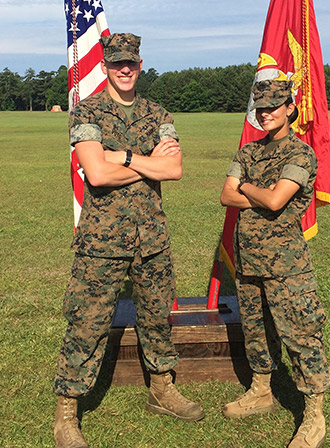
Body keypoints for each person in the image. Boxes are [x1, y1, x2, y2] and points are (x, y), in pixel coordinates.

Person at [53, 33, 204, 448]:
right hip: (102, 240)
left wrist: (120, 156)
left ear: (140, 65)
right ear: (104, 66)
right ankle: (67, 410)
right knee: (87, 322)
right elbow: (96, 175)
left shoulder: (159, 113)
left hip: (151, 236)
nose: (124, 69)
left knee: (157, 316)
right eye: (117, 63)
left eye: (131, 63)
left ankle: (161, 388)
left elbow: (173, 171)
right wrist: (148, 162)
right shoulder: (87, 112)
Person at [220, 79, 330, 448]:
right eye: (261, 107)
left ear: (289, 108)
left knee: (300, 335)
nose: (266, 113)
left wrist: (247, 188)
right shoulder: (248, 152)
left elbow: (274, 201)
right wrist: (257, 191)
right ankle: (262, 390)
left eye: (273, 106)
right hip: (249, 259)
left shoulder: (300, 154)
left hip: (286, 264)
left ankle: (313, 414)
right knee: (256, 331)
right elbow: (225, 195)